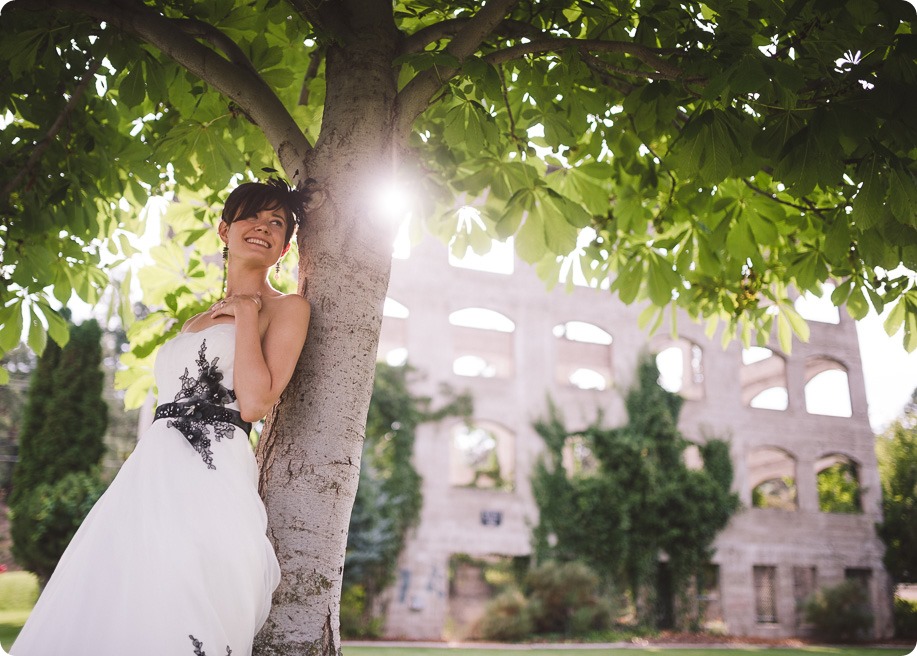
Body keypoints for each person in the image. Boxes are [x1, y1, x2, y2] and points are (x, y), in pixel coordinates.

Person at [9, 178, 311, 656]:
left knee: (188, 594)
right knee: (124, 592)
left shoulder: (287, 308)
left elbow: (254, 403)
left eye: (278, 222)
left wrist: (249, 314)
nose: (264, 227)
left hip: (213, 471)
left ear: (286, 247)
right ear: (224, 229)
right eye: (253, 215)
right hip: (150, 472)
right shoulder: (195, 321)